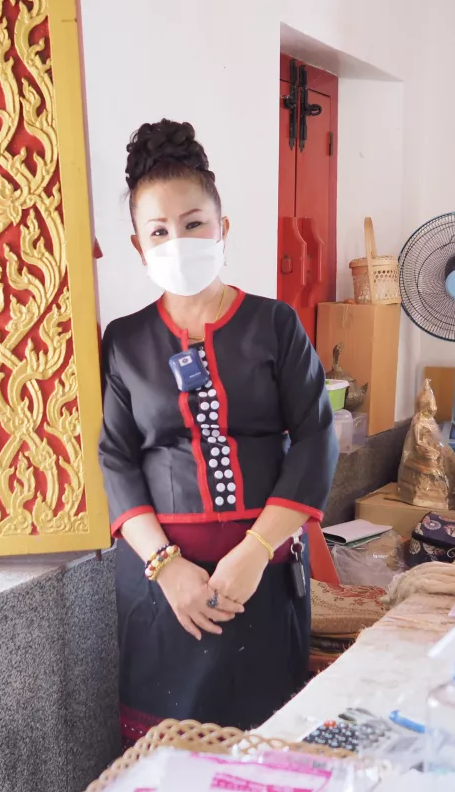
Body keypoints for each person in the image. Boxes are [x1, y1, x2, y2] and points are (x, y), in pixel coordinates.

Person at [98, 118, 339, 746]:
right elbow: (116, 460)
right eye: (159, 231)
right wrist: (166, 566)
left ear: (222, 227)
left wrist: (255, 554)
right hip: (161, 592)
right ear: (139, 246)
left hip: (261, 577)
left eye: (193, 223)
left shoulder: (276, 325)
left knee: (262, 752)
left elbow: (315, 436)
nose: (178, 240)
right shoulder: (123, 342)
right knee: (167, 758)